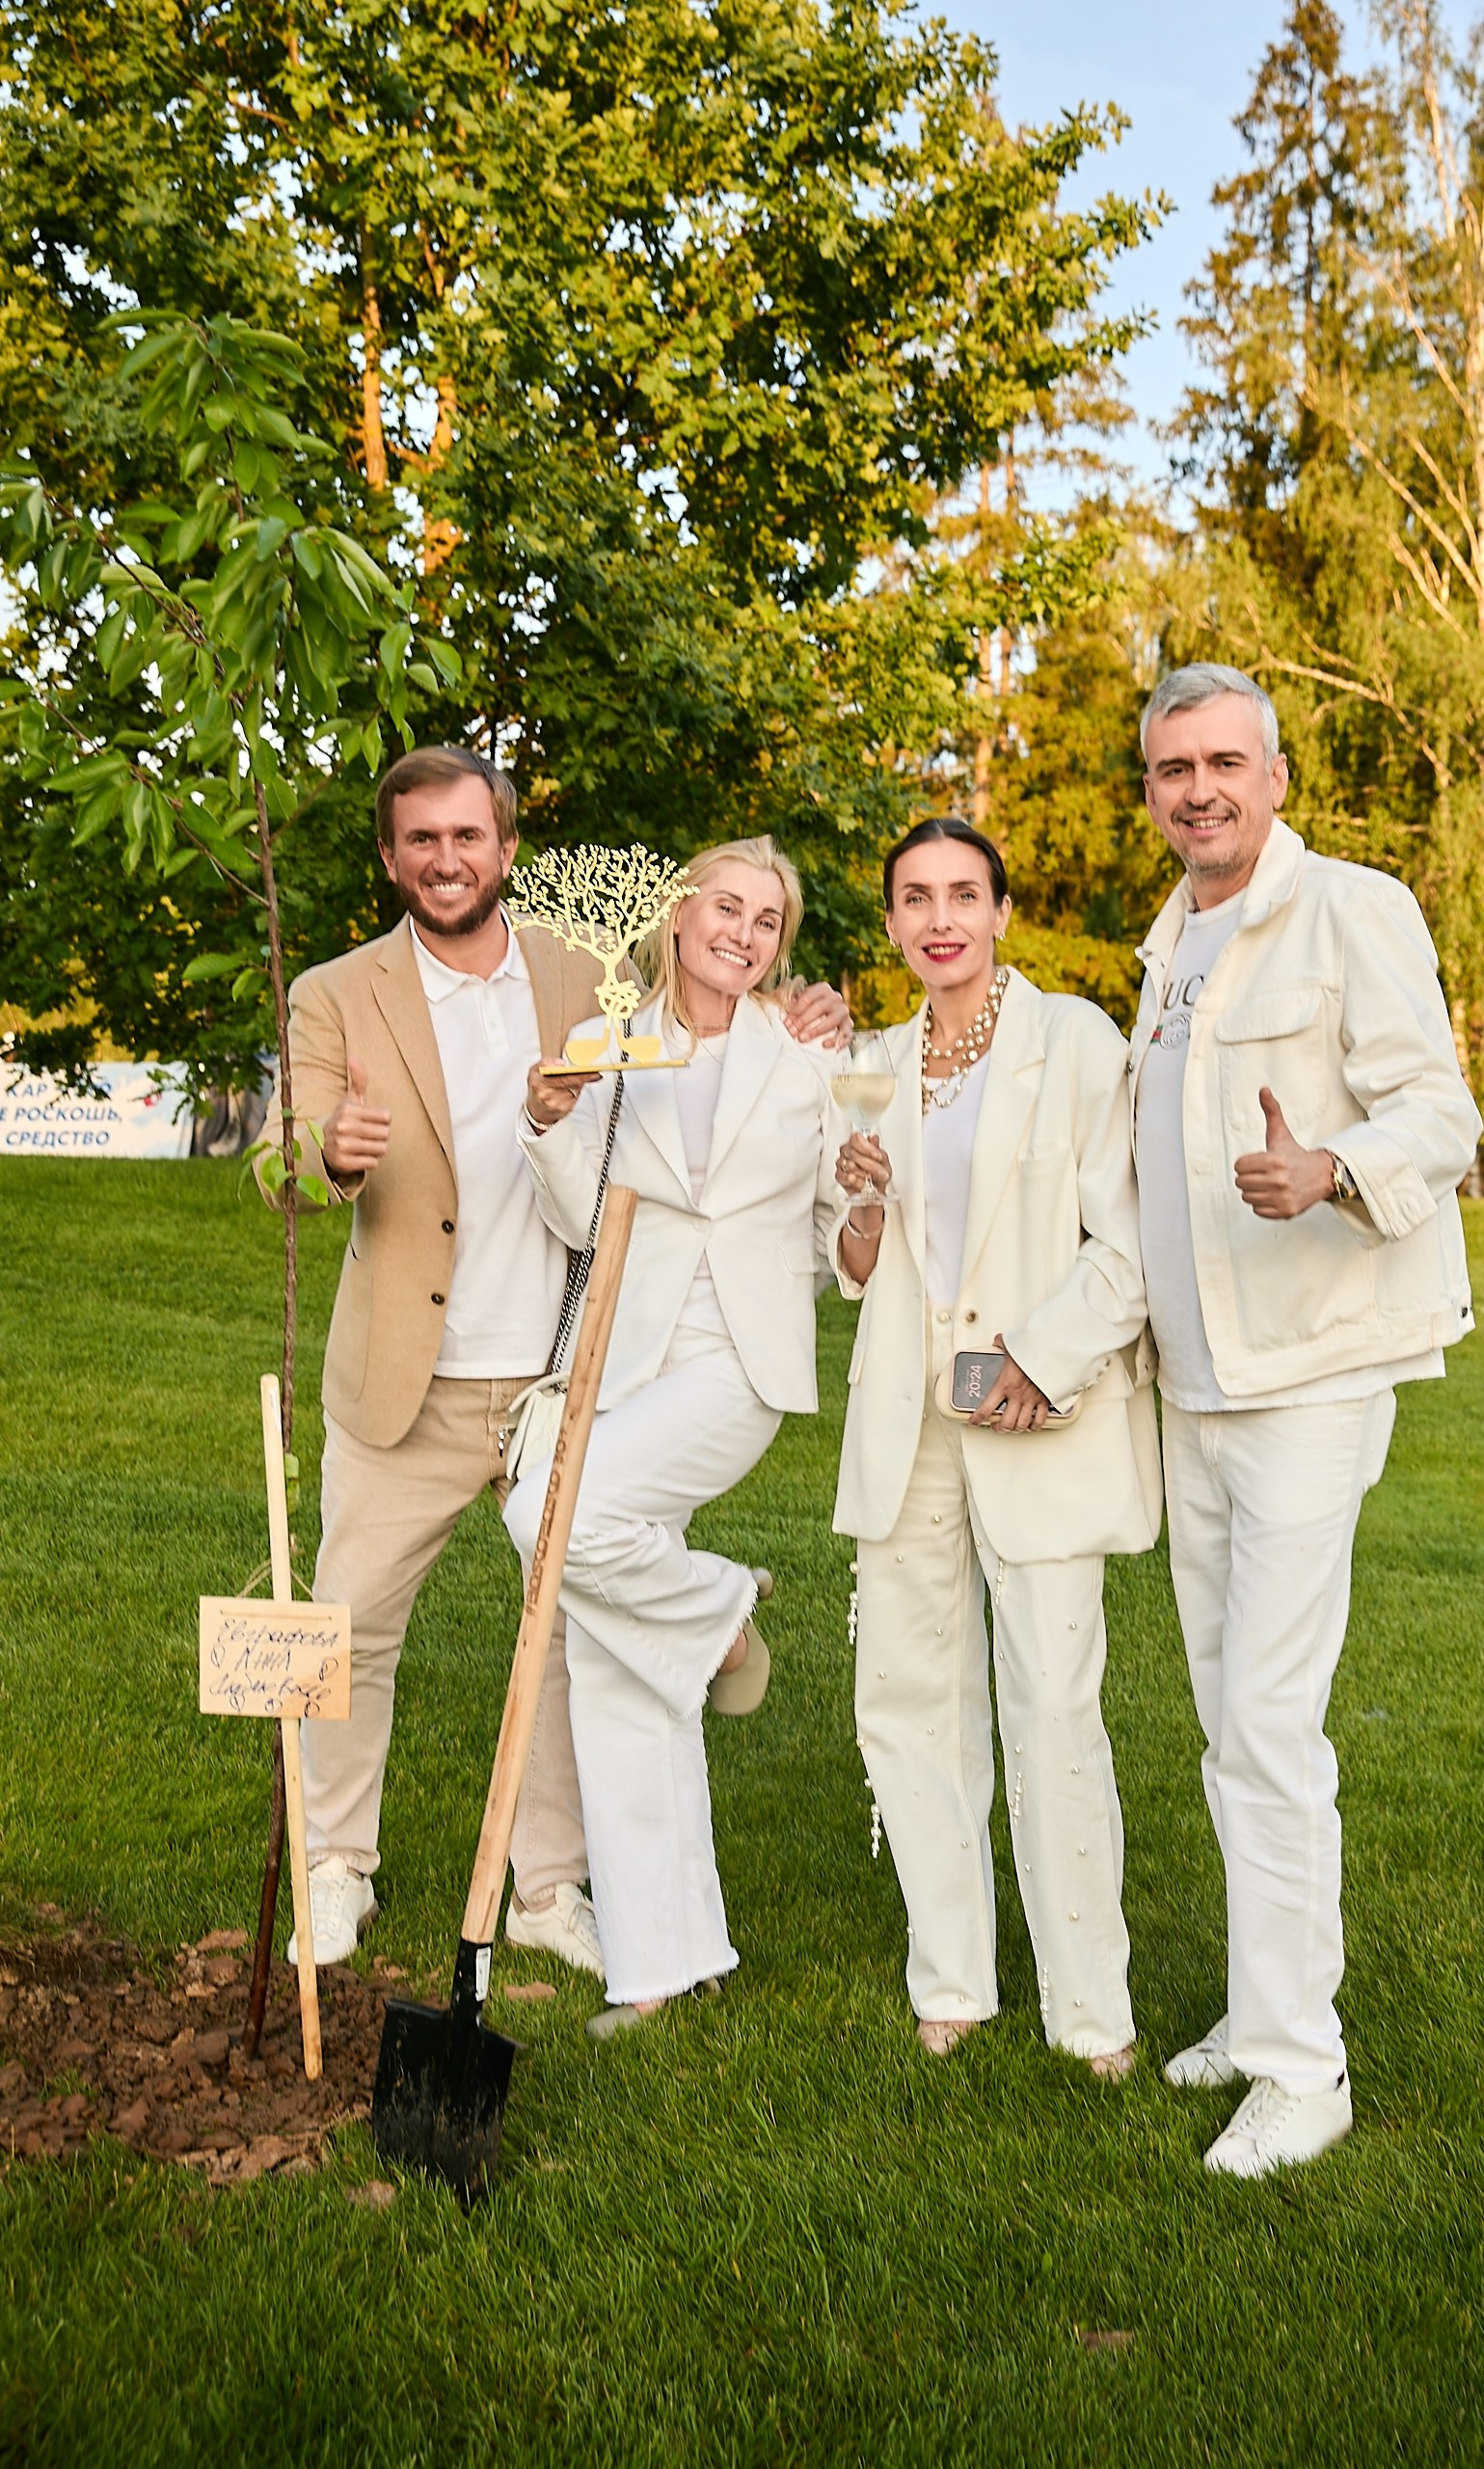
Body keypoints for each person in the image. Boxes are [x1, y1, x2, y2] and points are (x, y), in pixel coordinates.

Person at [276, 752, 848, 1970]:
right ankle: (335, 1864)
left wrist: (805, 1011)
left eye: (467, 836)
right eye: (421, 839)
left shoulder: (580, 974)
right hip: (408, 1373)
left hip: (561, 1366)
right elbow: (281, 1160)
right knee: (344, 1627)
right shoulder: (334, 992)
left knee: (564, 1624)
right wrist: (327, 1150)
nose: (446, 859)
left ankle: (548, 1885)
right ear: (389, 856)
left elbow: (714, 1008)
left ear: (505, 848)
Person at [1132, 662, 1481, 2177]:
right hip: (1196, 1385)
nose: (1197, 788)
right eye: (1171, 768)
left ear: (1273, 777)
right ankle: (1259, 2005)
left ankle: (1301, 2072)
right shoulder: (1166, 947)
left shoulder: (1350, 908)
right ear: (1150, 793)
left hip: (1310, 1376)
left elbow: (1440, 1111)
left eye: (1223, 761)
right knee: (1228, 1723)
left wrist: (1328, 1169)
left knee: (1268, 1725)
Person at [831, 818, 1162, 2075]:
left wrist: (1040, 1357)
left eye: (962, 893)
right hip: (907, 1424)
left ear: (1003, 910)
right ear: (891, 922)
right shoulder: (870, 1064)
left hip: (1036, 1414)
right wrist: (861, 1203)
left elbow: (1127, 1245)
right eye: (914, 898)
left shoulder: (1073, 1042)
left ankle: (1090, 2009)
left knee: (1053, 1705)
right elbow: (853, 1266)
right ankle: (952, 1977)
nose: (939, 919)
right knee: (908, 1703)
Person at [503, 835, 847, 2037]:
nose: (744, 933)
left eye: (768, 920)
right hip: (622, 1354)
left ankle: (720, 1607)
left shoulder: (808, 1055)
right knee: (613, 1658)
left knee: (552, 1519)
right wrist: (546, 1117)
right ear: (679, 914)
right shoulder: (606, 1041)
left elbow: (837, 1217)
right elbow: (575, 1213)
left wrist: (856, 1222)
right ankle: (662, 1959)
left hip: (737, 1362)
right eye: (727, 908)